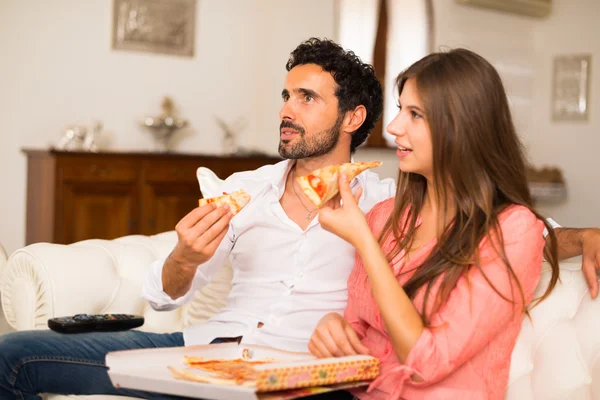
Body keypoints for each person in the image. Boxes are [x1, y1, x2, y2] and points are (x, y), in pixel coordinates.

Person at [0, 38, 598, 400]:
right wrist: (184, 255)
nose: (286, 111)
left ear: (351, 117)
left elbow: (499, 228)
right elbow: (164, 292)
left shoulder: (381, 200)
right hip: (200, 348)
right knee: (15, 355)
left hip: (293, 373)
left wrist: (582, 237)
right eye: (286, 96)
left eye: (306, 99)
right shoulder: (247, 190)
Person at [308, 48, 564, 399]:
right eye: (400, 109)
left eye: (415, 114)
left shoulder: (513, 231)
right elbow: (359, 330)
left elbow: (424, 364)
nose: (394, 127)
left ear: (462, 126)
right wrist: (334, 330)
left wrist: (365, 242)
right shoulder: (385, 216)